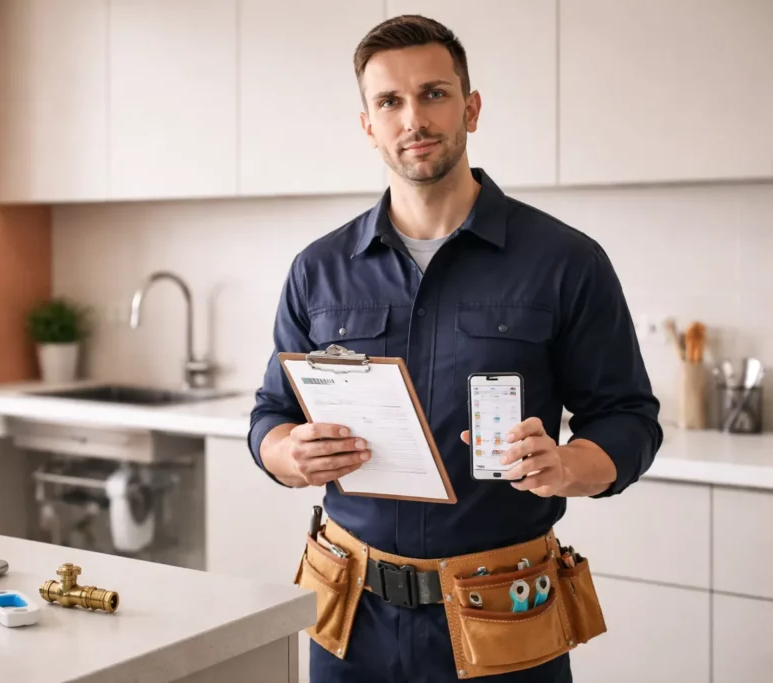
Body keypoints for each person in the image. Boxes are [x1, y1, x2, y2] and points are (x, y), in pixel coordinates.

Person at [247, 13, 663, 683]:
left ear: (470, 107)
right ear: (369, 124)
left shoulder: (566, 261)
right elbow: (270, 412)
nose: (414, 117)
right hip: (350, 619)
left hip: (504, 620)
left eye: (434, 93)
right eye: (390, 101)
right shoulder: (317, 269)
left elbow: (629, 419)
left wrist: (566, 465)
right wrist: (287, 452)